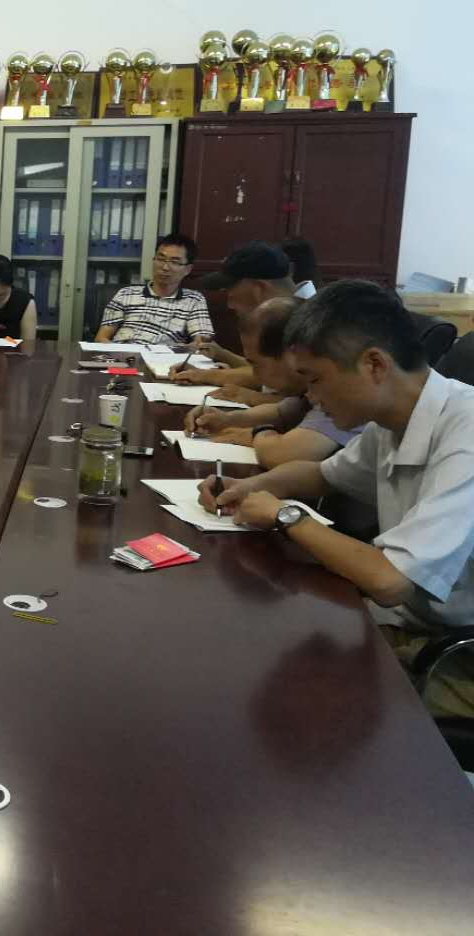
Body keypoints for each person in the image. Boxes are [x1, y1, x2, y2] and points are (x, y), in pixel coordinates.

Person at [198, 281, 474, 718]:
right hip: (409, 623)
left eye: (315, 379)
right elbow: (322, 475)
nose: (311, 397)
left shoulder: (466, 435)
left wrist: (286, 516)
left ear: (374, 365)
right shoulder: (392, 421)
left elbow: (389, 581)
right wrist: (250, 487)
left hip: (456, 659)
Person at [184, 297, 361, 468]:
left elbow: (280, 455)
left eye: (255, 364)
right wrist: (226, 419)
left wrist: (256, 434)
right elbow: (280, 413)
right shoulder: (307, 390)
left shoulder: (338, 391)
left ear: (292, 355)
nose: (254, 374)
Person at [170, 241, 304, 388]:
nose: (230, 305)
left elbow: (285, 381)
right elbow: (263, 369)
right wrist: (220, 356)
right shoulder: (293, 313)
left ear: (259, 289)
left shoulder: (307, 324)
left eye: (231, 295)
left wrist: (206, 375)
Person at [94, 233, 212, 346]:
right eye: (161, 259)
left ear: (188, 269)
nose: (165, 267)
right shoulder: (126, 294)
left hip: (164, 357)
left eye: (174, 262)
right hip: (124, 354)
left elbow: (202, 342)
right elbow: (101, 339)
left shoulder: (194, 300)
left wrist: (192, 348)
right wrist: (117, 353)